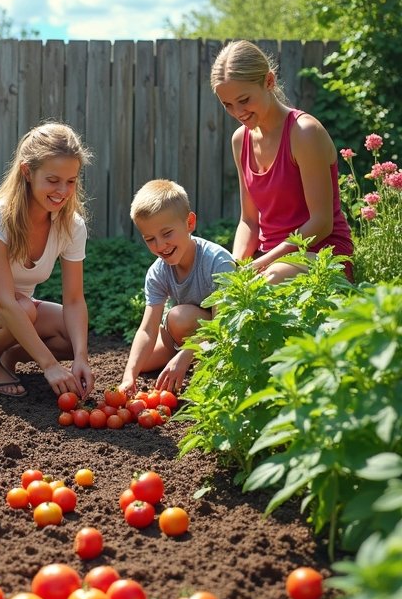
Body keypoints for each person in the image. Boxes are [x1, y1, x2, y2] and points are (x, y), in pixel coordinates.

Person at [0, 122, 95, 400]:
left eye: (71, 181)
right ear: (27, 172)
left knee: (72, 335)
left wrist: (81, 357)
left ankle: (6, 357)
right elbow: (5, 302)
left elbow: (74, 300)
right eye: (53, 180)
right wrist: (49, 365)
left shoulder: (71, 225)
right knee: (24, 307)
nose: (62, 190)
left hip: (19, 312)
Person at [210, 39, 353, 283]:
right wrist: (234, 268)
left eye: (244, 100)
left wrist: (264, 263)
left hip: (322, 256)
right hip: (269, 261)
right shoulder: (240, 140)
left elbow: (321, 223)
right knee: (215, 295)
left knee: (272, 278)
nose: (238, 112)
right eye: (228, 105)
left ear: (269, 81)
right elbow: (249, 220)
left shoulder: (304, 132)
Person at [119, 179, 235, 397]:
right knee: (142, 364)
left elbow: (224, 324)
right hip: (182, 335)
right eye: (150, 239)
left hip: (223, 334)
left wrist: (186, 354)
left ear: (189, 223)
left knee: (180, 316)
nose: (160, 246)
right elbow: (147, 329)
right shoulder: (158, 272)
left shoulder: (218, 262)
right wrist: (129, 377)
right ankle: (189, 356)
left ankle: (198, 359)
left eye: (167, 233)